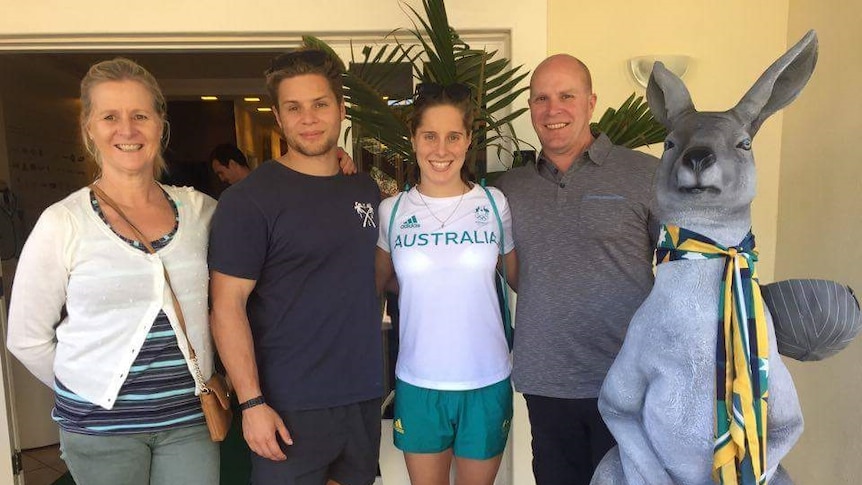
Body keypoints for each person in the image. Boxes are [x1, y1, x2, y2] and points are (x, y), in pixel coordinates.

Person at [6, 58, 219, 485]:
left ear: (160, 124)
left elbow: (263, 244)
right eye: (110, 116)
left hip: (189, 422)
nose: (127, 129)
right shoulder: (63, 222)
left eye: (140, 115)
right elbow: (25, 338)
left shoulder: (201, 211)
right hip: (99, 431)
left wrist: (331, 172)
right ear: (89, 128)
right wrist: (88, 387)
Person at [208, 49, 383, 485]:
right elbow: (226, 307)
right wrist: (251, 404)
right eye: (294, 107)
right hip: (288, 405)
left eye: (320, 104)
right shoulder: (249, 201)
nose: (309, 118)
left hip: (361, 395)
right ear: (278, 117)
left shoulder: (363, 188)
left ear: (341, 110)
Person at [495, 54, 659, 485]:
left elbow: (686, 265)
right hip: (546, 381)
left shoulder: (644, 174)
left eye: (567, 96)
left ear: (591, 102)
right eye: (541, 99)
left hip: (629, 380)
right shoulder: (506, 190)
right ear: (530, 107)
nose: (553, 110)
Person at [375, 82, 518, 485]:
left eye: (454, 136)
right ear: (414, 139)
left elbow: (520, 279)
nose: (442, 149)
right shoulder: (393, 211)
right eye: (430, 136)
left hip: (486, 379)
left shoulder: (493, 205)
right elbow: (376, 285)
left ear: (468, 140)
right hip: (419, 380)